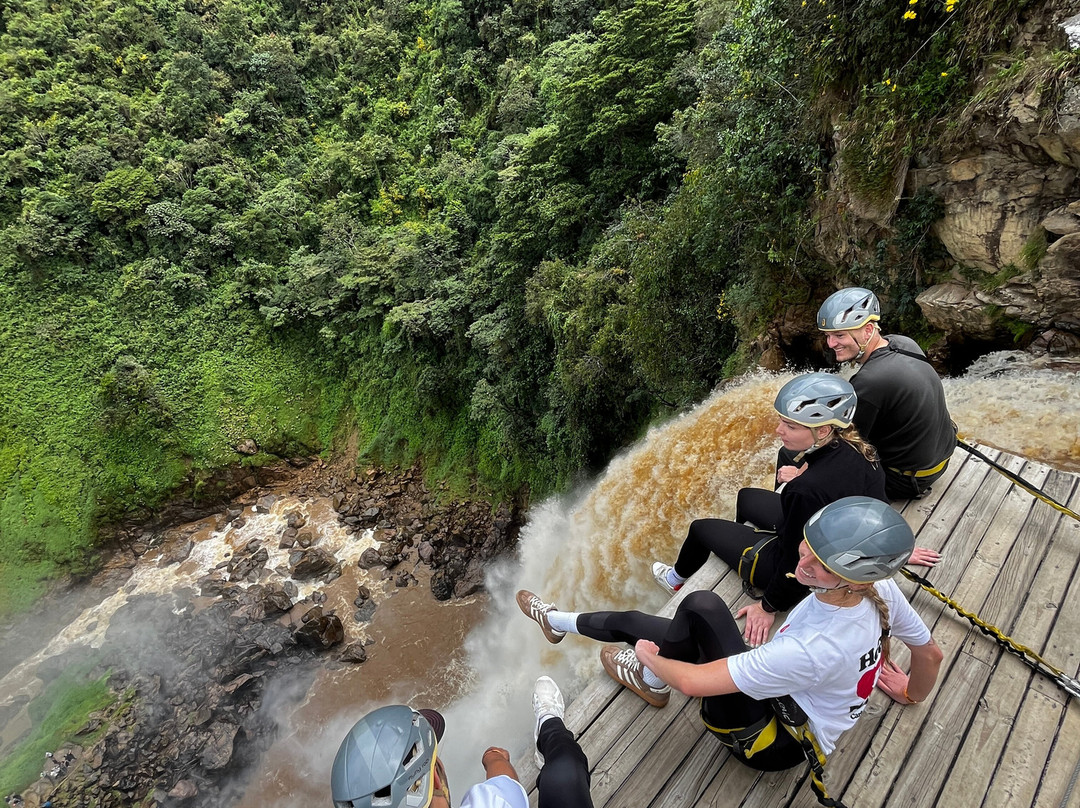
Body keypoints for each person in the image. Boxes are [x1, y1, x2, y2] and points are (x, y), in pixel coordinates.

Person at [517, 496, 944, 774]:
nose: (804, 562)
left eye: (823, 565)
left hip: (770, 742)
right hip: (792, 699)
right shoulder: (878, 588)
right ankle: (555, 622)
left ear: (851, 580)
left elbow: (692, 682)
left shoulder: (811, 650)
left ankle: (643, 676)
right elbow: (930, 655)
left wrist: (653, 659)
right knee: (689, 610)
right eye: (808, 547)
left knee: (677, 622)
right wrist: (910, 693)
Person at [651, 372, 938, 647]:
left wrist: (768, 606)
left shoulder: (805, 491)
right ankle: (742, 537)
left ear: (823, 429)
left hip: (798, 562)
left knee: (700, 529)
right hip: (831, 530)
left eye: (790, 426)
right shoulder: (862, 449)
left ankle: (675, 580)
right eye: (782, 421)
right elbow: (875, 504)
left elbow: (792, 559)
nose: (779, 430)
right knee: (747, 496)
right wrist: (885, 548)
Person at [330, 677, 593, 808]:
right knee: (564, 773)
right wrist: (493, 757)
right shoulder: (489, 802)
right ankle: (548, 722)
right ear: (436, 777)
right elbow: (506, 780)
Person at [817, 287, 956, 501]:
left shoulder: (870, 381)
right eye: (827, 336)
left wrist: (806, 469)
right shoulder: (903, 343)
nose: (830, 343)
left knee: (802, 456)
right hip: (941, 458)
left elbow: (846, 443)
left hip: (906, 482)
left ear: (868, 330)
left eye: (839, 335)